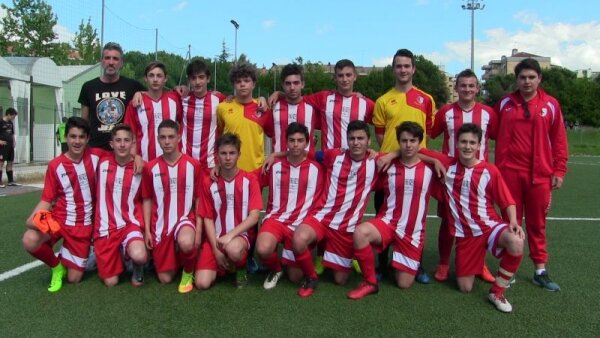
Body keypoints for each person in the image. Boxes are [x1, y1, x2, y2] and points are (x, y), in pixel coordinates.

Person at [421, 123, 525, 313]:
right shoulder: (446, 163)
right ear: (456, 143)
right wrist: (433, 161)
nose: (467, 146)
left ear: (479, 146)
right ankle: (478, 261)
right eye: (463, 142)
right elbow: (412, 150)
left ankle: (497, 291)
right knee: (465, 288)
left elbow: (507, 201)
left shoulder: (489, 170)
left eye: (472, 143)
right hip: (466, 236)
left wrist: (513, 221)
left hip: (490, 226)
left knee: (516, 242)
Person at [494, 58, 568, 291]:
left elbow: (559, 140)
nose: (527, 82)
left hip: (540, 176)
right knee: (509, 222)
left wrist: (559, 169)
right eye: (522, 77)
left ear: (539, 79)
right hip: (509, 174)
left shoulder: (551, 105)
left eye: (531, 77)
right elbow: (490, 131)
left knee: (537, 224)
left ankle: (540, 270)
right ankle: (509, 267)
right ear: (516, 80)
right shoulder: (505, 103)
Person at [347, 122, 438, 300]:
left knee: (403, 284)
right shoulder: (386, 165)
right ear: (398, 142)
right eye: (404, 140)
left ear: (420, 142)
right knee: (360, 233)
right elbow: (365, 156)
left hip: (411, 231)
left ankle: (397, 264)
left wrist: (433, 160)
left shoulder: (431, 169)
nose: (408, 144)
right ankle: (370, 282)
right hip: (388, 223)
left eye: (413, 140)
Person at [292, 120, 379, 298]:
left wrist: (389, 156)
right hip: (322, 218)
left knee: (340, 280)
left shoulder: (377, 162)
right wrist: (275, 154)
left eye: (361, 138)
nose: (356, 142)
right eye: (352, 138)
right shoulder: (333, 155)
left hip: (346, 228)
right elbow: (304, 153)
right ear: (347, 140)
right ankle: (311, 278)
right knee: (299, 239)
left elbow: (406, 153)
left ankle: (349, 256)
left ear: (369, 141)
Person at [21, 117, 107, 292]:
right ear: (66, 137)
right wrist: (32, 218)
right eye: (73, 136)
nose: (77, 141)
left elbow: (121, 156)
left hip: (83, 227)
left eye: (81, 137)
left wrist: (136, 158)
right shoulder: (55, 165)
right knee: (30, 239)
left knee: (74, 279)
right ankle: (56, 266)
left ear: (88, 139)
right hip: (58, 221)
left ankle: (77, 255)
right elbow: (47, 199)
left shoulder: (98, 156)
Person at [372, 48, 435, 283]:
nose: (403, 70)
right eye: (398, 66)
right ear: (393, 69)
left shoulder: (426, 99)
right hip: (388, 168)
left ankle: (413, 263)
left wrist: (408, 152)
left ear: (413, 69)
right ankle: (381, 263)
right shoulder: (382, 100)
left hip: (417, 166)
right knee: (383, 214)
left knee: (416, 217)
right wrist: (393, 153)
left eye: (407, 66)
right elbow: (380, 134)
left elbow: (426, 130)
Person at [429, 69, 497, 283]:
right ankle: (443, 263)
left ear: (477, 88)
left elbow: (495, 136)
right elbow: (430, 134)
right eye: (463, 85)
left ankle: (480, 263)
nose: (467, 89)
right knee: (448, 221)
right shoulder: (446, 112)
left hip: (478, 177)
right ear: (456, 88)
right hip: (451, 177)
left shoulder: (488, 113)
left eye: (471, 85)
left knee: (480, 221)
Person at [256, 123, 324, 289]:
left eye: (300, 140)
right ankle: (276, 269)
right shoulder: (273, 165)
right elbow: (249, 180)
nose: (295, 144)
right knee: (263, 249)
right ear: (286, 142)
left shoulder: (318, 168)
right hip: (276, 219)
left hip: (301, 224)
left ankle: (299, 254)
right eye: (292, 140)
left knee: (295, 277)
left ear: (307, 143)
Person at [141, 119, 201, 293]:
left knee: (186, 242)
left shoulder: (193, 165)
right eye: (163, 138)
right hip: (161, 225)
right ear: (158, 139)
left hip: (185, 219)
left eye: (171, 137)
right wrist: (147, 231)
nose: (167, 141)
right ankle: (180, 259)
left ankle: (188, 272)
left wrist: (198, 229)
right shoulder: (150, 168)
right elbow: (147, 199)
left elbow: (198, 199)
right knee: (165, 279)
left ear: (179, 137)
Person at [195, 133, 263, 289]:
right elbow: (208, 218)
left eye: (232, 153)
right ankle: (224, 264)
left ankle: (240, 268)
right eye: (223, 153)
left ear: (239, 154)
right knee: (201, 284)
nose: (227, 158)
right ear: (217, 155)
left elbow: (254, 217)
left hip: (240, 238)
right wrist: (216, 250)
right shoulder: (209, 182)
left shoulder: (250, 180)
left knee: (232, 249)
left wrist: (230, 236)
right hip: (215, 238)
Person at [270, 59, 374, 151]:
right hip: (330, 163)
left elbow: (382, 122)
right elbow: (297, 98)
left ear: (355, 77)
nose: (345, 79)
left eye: (348, 75)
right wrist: (279, 94)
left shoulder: (366, 103)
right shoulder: (323, 97)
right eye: (340, 75)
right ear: (335, 78)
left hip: (358, 161)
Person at [93, 124, 148, 287]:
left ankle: (137, 265)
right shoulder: (100, 161)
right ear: (111, 144)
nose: (122, 144)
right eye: (118, 140)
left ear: (133, 143)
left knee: (139, 255)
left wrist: (146, 231)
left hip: (129, 225)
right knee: (110, 282)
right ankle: (118, 255)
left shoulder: (141, 169)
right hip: (105, 228)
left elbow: (146, 199)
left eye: (126, 140)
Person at [79, 42, 145, 150]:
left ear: (121, 63)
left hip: (124, 150)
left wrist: (140, 93)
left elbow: (155, 95)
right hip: (96, 149)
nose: (111, 62)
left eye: (115, 59)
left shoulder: (133, 86)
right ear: (101, 61)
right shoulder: (88, 87)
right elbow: (84, 123)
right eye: (107, 58)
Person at [125, 61, 182, 162]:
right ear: (145, 78)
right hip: (144, 162)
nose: (155, 79)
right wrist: (135, 156)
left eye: (159, 76)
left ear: (165, 79)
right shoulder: (136, 102)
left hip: (172, 162)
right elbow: (129, 133)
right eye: (151, 76)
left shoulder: (175, 99)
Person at [180, 59, 226, 171]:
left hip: (210, 165)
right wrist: (140, 92)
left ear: (208, 79)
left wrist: (262, 99)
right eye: (193, 78)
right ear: (189, 80)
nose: (197, 82)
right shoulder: (182, 99)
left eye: (201, 77)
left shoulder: (219, 99)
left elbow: (238, 101)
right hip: (185, 162)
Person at [264, 64, 318, 153]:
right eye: (288, 83)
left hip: (306, 164)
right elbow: (269, 133)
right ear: (282, 85)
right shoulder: (273, 107)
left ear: (302, 84)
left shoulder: (312, 107)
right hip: (279, 164)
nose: (292, 88)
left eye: (296, 83)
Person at [0, 107, 19, 187]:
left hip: (10, 146)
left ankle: (10, 181)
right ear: (8, 114)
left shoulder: (10, 123)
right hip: (2, 146)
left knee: (10, 162)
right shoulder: (0, 122)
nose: (13, 118)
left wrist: (14, 141)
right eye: (13, 116)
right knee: (1, 163)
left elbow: (12, 133)